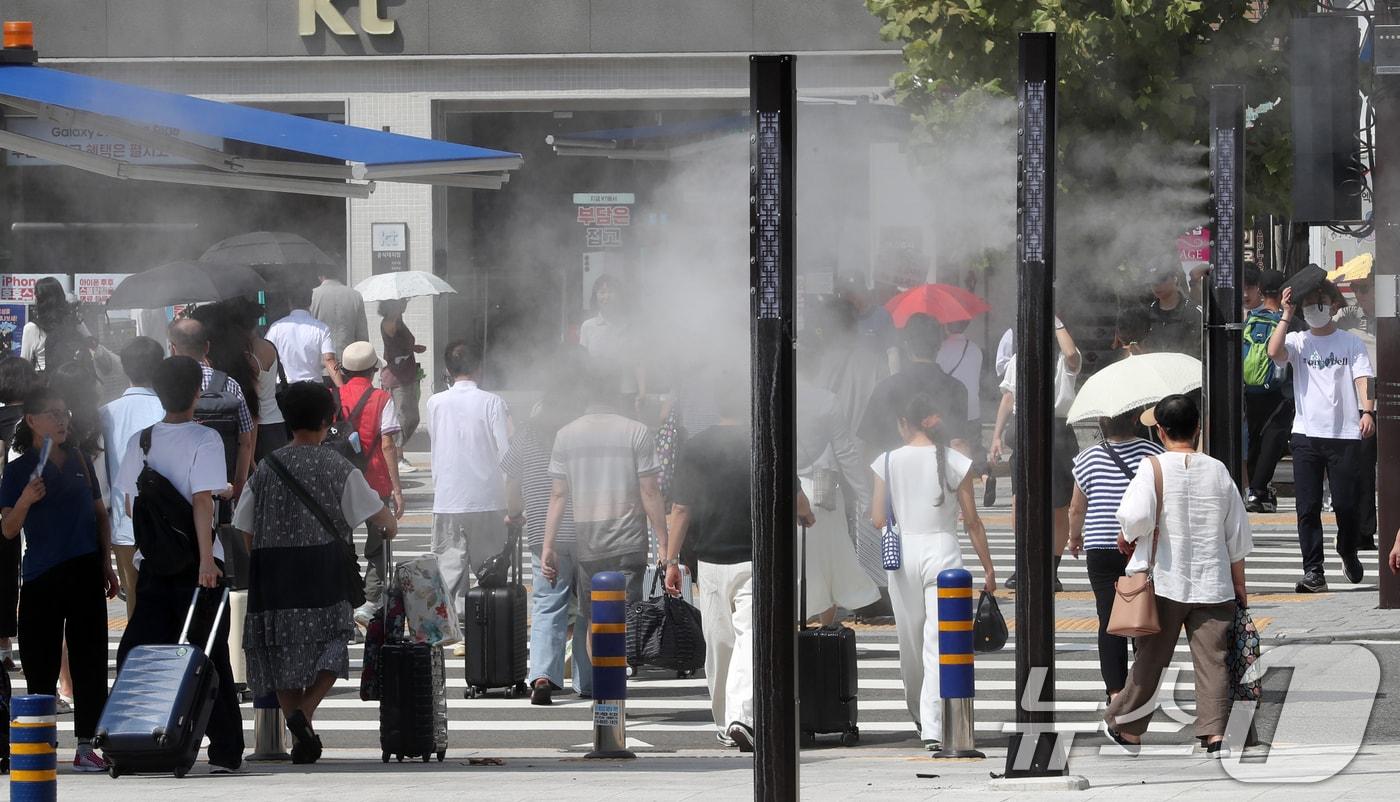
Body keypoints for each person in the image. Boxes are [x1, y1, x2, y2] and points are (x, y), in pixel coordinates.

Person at [233, 381, 398, 764]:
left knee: (278, 646)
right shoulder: (338, 466)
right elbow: (383, 519)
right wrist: (387, 526)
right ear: (329, 419)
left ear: (287, 421)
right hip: (322, 567)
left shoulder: (267, 468)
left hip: (272, 568)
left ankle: (295, 715)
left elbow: (244, 529)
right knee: (337, 636)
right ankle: (304, 714)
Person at [112, 355, 244, 773]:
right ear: (196, 392)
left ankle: (134, 733)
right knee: (208, 653)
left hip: (153, 563)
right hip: (196, 567)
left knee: (139, 647)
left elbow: (133, 502)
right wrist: (207, 560)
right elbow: (203, 502)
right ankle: (225, 749)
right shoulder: (205, 439)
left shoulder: (142, 440)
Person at [1103, 395, 1251, 755]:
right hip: (1213, 580)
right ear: (1198, 429)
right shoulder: (1218, 470)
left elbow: (1134, 517)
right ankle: (1215, 733)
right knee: (1213, 660)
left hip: (1164, 581)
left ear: (1160, 431)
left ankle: (1129, 728)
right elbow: (1236, 535)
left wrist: (1126, 534)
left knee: (1151, 659)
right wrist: (1240, 585)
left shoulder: (1152, 468)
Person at [0, 386, 119, 771]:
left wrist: (105, 563)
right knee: (40, 663)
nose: (62, 419)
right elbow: (7, 528)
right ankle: (40, 744)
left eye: (64, 412)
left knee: (90, 661)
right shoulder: (19, 470)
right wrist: (25, 501)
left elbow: (100, 515)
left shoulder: (82, 459)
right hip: (41, 575)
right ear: (32, 421)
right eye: (52, 414)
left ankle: (86, 744)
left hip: (84, 568)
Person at [871, 393, 995, 751]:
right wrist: (988, 567)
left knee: (910, 642)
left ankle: (922, 716)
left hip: (903, 554)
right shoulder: (957, 461)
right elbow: (972, 522)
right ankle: (933, 723)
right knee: (939, 641)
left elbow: (878, 518)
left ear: (903, 424)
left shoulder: (887, 460)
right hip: (944, 551)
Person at [542, 367, 670, 639]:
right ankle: (618, 676)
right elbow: (650, 491)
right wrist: (664, 546)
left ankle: (601, 681)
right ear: (616, 394)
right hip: (629, 539)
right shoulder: (636, 431)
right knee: (624, 617)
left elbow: (558, 495)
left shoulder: (566, 435)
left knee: (595, 623)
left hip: (589, 541)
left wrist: (548, 546)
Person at [664, 386, 759, 749]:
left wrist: (671, 561)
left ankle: (727, 719)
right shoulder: (760, 441)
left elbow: (682, 507)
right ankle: (740, 717)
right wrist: (807, 512)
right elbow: (793, 497)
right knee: (750, 639)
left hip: (709, 559)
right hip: (754, 556)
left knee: (719, 644)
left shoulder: (697, 447)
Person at [1268, 277, 1374, 592]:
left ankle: (1347, 549)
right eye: (1308, 303)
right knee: (1307, 507)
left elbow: (1363, 376)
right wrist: (1286, 314)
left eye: (1321, 302)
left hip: (1344, 434)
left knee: (1347, 504)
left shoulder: (1350, 342)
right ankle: (1314, 571)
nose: (1315, 308)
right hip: (1306, 435)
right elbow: (1273, 351)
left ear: (1332, 304)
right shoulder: (1299, 340)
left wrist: (1366, 411)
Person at [1067, 408, 1163, 704]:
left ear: (1100, 422)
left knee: (1108, 619)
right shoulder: (1152, 453)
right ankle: (1141, 687)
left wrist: (1074, 537)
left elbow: (1077, 508)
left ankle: (1115, 690)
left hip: (1099, 547)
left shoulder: (1087, 457)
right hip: (1139, 547)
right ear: (1135, 419)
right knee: (1142, 618)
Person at [502, 386, 587, 706]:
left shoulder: (526, 433)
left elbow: (510, 478)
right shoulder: (578, 433)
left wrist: (513, 513)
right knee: (590, 606)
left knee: (548, 603)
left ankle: (542, 675)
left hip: (542, 527)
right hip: (583, 527)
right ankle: (588, 678)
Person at [424, 340, 509, 641]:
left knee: (449, 566)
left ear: (447, 369)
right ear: (479, 369)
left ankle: (454, 628)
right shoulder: (492, 402)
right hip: (487, 496)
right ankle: (486, 624)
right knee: (490, 568)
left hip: (448, 495)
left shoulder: (434, 403)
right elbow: (505, 453)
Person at [989, 317, 1082, 590]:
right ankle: (1023, 566)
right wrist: (996, 436)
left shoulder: (1064, 362)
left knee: (1058, 506)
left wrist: (1055, 321)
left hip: (1056, 428)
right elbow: (1008, 397)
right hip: (1025, 425)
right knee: (1021, 501)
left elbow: (1071, 353)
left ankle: (1051, 571)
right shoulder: (1019, 358)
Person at [797, 355, 879, 625]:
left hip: (785, 491)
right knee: (828, 562)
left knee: (794, 563)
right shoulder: (826, 400)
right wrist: (865, 497)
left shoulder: (773, 395)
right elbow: (845, 452)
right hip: (823, 491)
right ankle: (827, 626)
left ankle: (794, 624)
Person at [336, 341, 405, 627]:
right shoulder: (382, 398)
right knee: (378, 543)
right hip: (375, 479)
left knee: (342, 541)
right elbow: (387, 443)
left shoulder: (334, 395)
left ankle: (344, 600)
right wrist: (397, 488)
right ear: (375, 369)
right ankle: (370, 600)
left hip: (339, 479)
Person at [98, 336, 167, 618]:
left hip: (123, 522)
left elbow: (101, 476)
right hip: (168, 521)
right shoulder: (168, 410)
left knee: (135, 599)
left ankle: (137, 657)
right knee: (168, 595)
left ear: (125, 369)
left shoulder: (105, 414)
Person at [859, 314, 969, 457]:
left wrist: (878, 477)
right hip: (941, 475)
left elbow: (870, 446)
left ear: (906, 345)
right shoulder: (957, 389)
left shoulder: (885, 388)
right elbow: (958, 444)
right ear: (939, 345)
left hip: (895, 475)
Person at [168, 318, 255, 499]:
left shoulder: (168, 387)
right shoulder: (230, 385)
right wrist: (239, 485)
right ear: (207, 347)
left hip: (180, 486)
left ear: (172, 349)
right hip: (224, 486)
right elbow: (245, 442)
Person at [1335, 272, 1378, 550]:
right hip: (1364, 405)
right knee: (1361, 471)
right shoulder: (1348, 320)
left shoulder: (1391, 316)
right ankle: (1364, 531)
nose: (1361, 295)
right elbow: (1324, 323)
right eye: (1356, 289)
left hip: (1388, 399)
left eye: (1365, 288)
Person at [1242, 269, 1290, 513]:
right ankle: (1258, 490)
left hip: (1251, 390)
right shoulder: (1286, 320)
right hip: (1280, 392)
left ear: (1260, 290)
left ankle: (1256, 491)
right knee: (1274, 439)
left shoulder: (1250, 320)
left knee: (1255, 440)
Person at [0, 356, 37, 670]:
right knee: (25, 575)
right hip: (35, 501)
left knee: (4, 574)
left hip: (6, 505)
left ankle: (4, 646)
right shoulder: (34, 419)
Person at [579, 275, 645, 414]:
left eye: (610, 292)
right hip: (597, 395)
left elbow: (639, 360)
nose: (606, 297)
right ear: (595, 296)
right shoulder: (588, 326)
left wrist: (643, 392)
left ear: (619, 295)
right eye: (602, 292)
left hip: (625, 393)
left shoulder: (630, 325)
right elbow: (583, 363)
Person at [378, 298, 426, 474]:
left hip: (406, 373)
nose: (406, 303)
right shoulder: (390, 322)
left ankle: (397, 454)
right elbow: (396, 341)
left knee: (410, 417)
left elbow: (402, 344)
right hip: (396, 377)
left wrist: (413, 348)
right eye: (403, 301)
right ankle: (396, 456)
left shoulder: (398, 321)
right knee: (403, 417)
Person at [266, 283, 339, 387]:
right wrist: (341, 388)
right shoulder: (321, 328)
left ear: (289, 302)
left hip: (285, 388)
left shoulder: (276, 327)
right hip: (314, 388)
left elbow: (267, 356)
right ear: (310, 302)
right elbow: (329, 359)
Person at [20, 277, 92, 375]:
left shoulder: (32, 328)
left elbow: (24, 365)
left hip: (46, 383)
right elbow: (92, 344)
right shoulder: (75, 322)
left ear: (40, 300)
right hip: (74, 381)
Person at [837, 274, 900, 376]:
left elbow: (892, 350)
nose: (849, 298)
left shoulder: (882, 315)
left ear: (863, 292)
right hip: (850, 377)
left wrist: (894, 377)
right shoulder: (845, 316)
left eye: (852, 294)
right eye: (847, 295)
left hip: (876, 375)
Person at [1142, 255, 1203, 355]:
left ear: (1175, 278)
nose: (1156, 285)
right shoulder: (1146, 313)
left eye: (1161, 279)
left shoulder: (1194, 313)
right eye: (1152, 281)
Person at [311, 269, 369, 369]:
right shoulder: (355, 296)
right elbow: (362, 337)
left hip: (320, 366)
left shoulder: (313, 295)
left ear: (320, 276)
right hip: (348, 365)